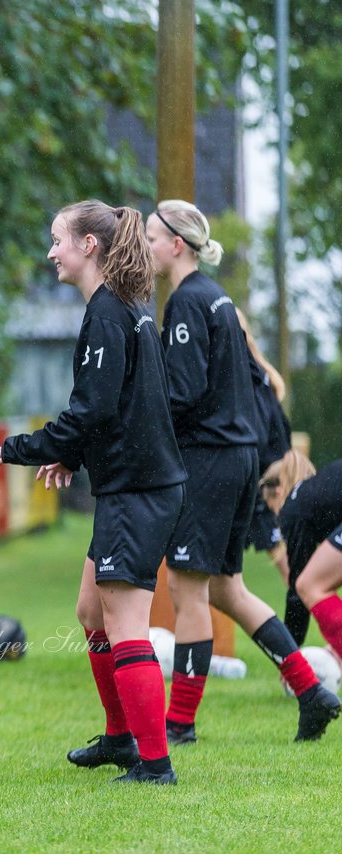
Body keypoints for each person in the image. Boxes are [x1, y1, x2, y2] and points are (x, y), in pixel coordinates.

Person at [0, 199, 185, 785]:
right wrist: (71, 455)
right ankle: (122, 738)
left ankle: (155, 762)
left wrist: (30, 448)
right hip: (134, 485)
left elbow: (92, 408)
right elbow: (114, 407)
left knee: (125, 621)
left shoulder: (108, 312)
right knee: (90, 610)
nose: (52, 252)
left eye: (58, 240)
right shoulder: (121, 306)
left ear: (88, 246)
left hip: (138, 490)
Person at [146, 199, 337, 744]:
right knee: (227, 590)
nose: (148, 246)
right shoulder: (218, 299)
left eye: (153, 237)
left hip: (209, 460)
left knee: (187, 593)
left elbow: (183, 394)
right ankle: (312, 691)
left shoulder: (187, 302)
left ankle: (178, 723)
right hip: (238, 458)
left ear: (176, 245)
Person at [235, 307, 303, 639]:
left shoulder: (248, 379)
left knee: (297, 576)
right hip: (269, 479)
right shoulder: (262, 373)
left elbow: (263, 439)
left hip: (266, 484)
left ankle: (311, 635)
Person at [262, 451, 342, 683]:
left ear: (277, 492)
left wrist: (290, 656)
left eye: (271, 507)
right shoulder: (317, 492)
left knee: (309, 585)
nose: (277, 516)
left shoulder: (293, 508)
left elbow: (298, 587)